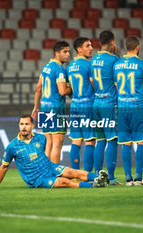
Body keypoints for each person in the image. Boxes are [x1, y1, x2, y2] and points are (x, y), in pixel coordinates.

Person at [0, 115, 109, 189]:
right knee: (64, 181)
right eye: (21, 124)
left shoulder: (41, 138)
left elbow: (43, 153)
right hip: (37, 179)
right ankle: (94, 185)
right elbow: (4, 166)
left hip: (49, 167)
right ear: (19, 125)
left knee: (72, 171)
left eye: (27, 124)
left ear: (32, 125)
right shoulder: (12, 146)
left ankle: (100, 178)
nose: (24, 127)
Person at [113, 36, 143, 186]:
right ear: (137, 47)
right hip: (138, 107)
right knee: (141, 141)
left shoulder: (116, 65)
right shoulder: (142, 64)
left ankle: (128, 179)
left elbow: (117, 85)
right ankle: (139, 178)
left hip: (122, 107)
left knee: (126, 143)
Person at [32, 41, 72, 164]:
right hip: (56, 109)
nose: (68, 54)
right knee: (57, 144)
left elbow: (38, 88)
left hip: (45, 108)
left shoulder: (46, 67)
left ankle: (45, 173)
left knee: (48, 143)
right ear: (56, 53)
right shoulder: (60, 69)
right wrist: (72, 87)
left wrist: (36, 106)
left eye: (68, 51)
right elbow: (62, 91)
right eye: (65, 52)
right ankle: (55, 174)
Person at [90, 31, 121, 185]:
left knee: (100, 140)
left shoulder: (94, 59)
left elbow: (92, 81)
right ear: (112, 42)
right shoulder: (114, 59)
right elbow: (119, 79)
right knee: (112, 139)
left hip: (96, 103)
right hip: (109, 104)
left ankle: (97, 175)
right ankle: (111, 177)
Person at [66, 37, 95, 172]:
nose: (91, 48)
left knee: (76, 140)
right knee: (90, 140)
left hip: (74, 106)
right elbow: (94, 85)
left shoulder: (69, 67)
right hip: (88, 105)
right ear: (79, 49)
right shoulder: (89, 65)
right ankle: (88, 175)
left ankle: (75, 173)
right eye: (87, 46)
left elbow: (69, 90)